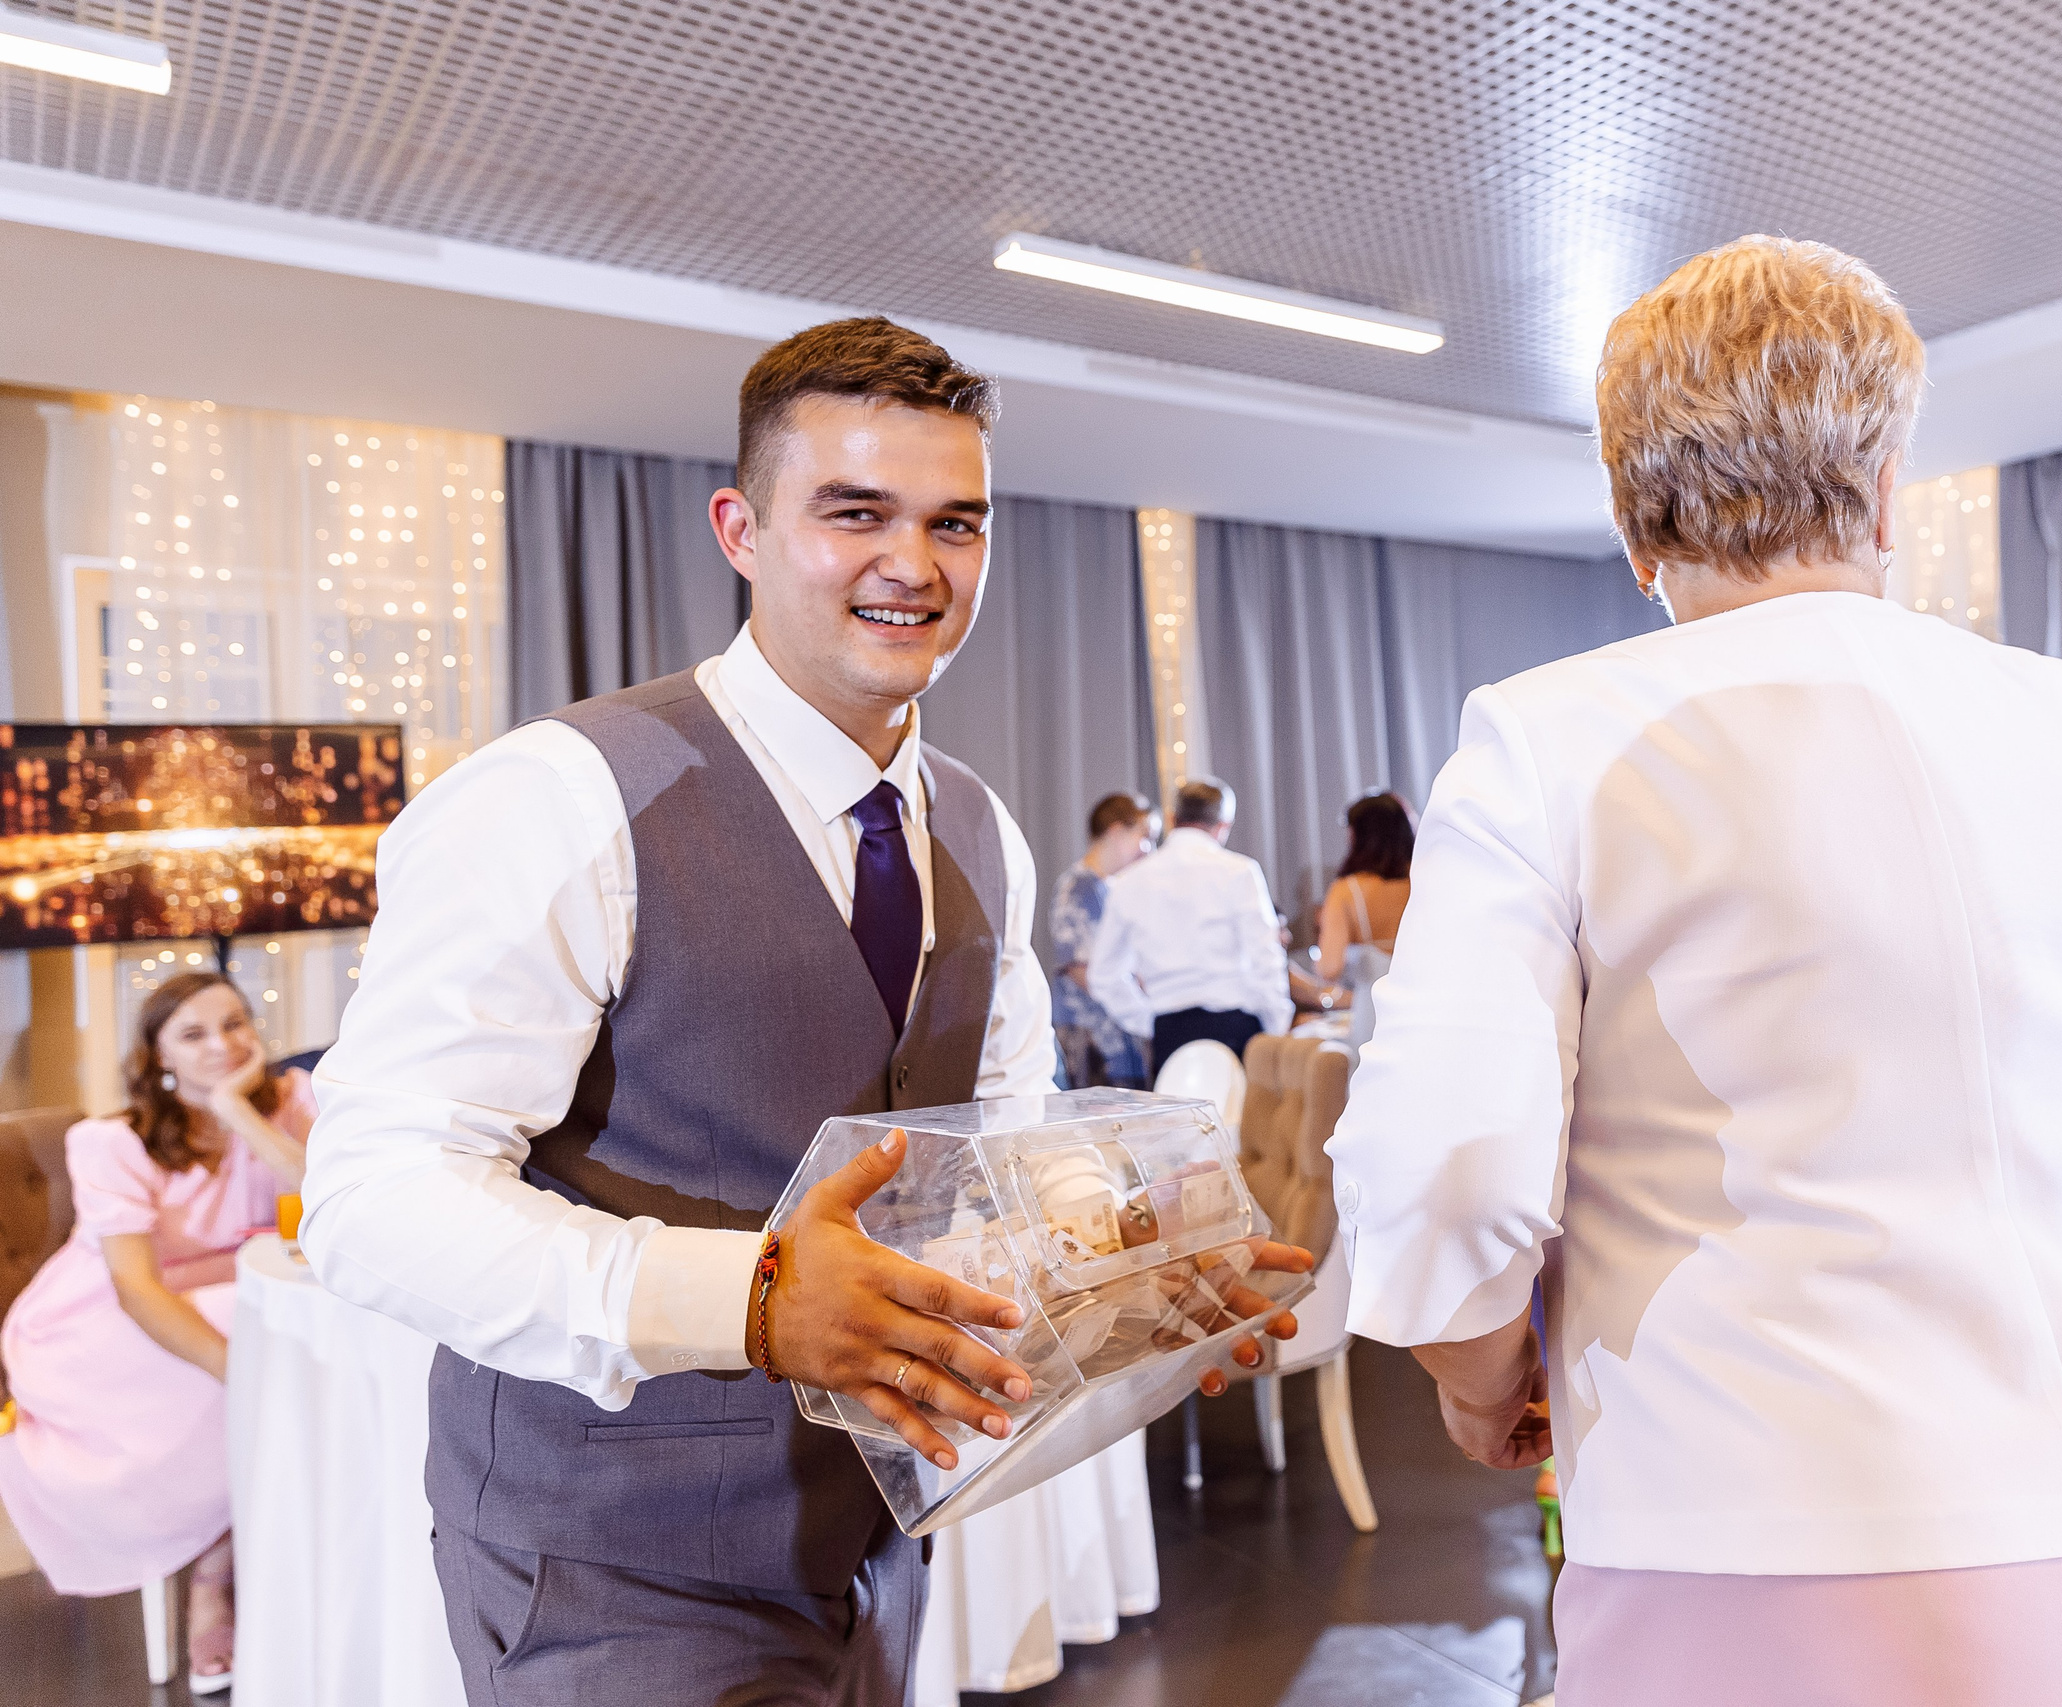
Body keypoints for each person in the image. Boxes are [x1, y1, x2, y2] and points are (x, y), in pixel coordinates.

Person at [1326, 236, 2062, 1707]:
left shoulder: (1550, 737)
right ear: (1890, 484)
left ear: (1627, 510)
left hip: (1774, 1527)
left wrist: (1480, 1380)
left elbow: (1455, 1165)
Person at [300, 318, 1303, 1706]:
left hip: (871, 1546)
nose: (916, 563)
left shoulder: (979, 827)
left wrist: (1123, 1275)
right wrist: (757, 1299)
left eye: (958, 522)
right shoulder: (556, 796)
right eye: (856, 513)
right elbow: (370, 1196)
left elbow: (998, 1155)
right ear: (742, 528)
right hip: (611, 1566)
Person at [0, 972, 313, 1694]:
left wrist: (238, 1112)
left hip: (243, 1301)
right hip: (101, 1322)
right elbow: (136, 1288)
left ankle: (285, 1564)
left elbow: (329, 1202)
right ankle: (214, 1574)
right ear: (157, 1054)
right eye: (195, 1034)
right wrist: (242, 1373)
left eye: (235, 1023)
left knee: (274, 1316)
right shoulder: (110, 1141)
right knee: (253, 1326)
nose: (225, 1044)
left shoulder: (292, 1102)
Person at [1087, 776, 1293, 1082]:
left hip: (1169, 1031)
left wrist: (1147, 1021)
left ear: (1172, 819)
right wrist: (1276, 1025)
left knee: (1180, 1129)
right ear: (1223, 825)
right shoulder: (1240, 872)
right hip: (1238, 1027)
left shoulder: (1130, 881)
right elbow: (1266, 957)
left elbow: (1102, 976)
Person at [1052, 792, 1157, 1087]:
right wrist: (1142, 1015)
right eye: (1145, 835)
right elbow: (1082, 970)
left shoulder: (1111, 889)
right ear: (1116, 831)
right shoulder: (1078, 887)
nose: (1148, 849)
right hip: (1091, 1039)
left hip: (1120, 1034)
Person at [1313, 790, 1412, 1054]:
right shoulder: (1427, 878)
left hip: (1376, 1011)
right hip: (1428, 1001)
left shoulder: (1347, 890)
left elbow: (1329, 967)